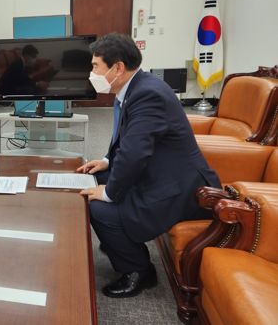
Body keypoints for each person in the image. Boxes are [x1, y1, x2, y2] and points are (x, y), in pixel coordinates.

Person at [77, 33, 221, 298]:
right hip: (160, 170)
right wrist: (107, 161)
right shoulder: (136, 87)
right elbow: (130, 140)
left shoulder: (147, 94)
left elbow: (135, 152)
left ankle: (139, 271)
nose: (92, 72)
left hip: (180, 188)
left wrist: (109, 194)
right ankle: (119, 241)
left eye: (96, 66)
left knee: (99, 208)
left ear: (117, 67)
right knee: (97, 177)